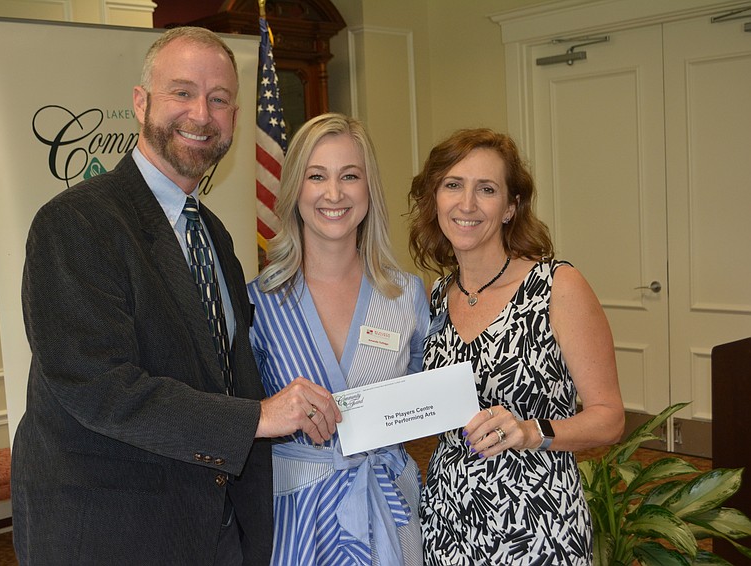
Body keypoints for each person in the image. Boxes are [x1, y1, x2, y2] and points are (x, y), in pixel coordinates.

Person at [11, 27, 341, 566]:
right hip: (113, 535)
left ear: (235, 116)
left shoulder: (213, 233)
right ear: (140, 103)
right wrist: (257, 418)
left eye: (219, 99)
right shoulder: (75, 223)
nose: (202, 114)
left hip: (215, 526)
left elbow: (221, 376)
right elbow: (98, 385)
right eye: (182, 93)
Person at [407, 128, 624, 565]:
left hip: (536, 521)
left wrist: (531, 431)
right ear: (435, 199)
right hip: (448, 520)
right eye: (453, 185)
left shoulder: (557, 285)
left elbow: (610, 419)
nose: (467, 204)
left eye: (486, 189)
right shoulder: (434, 295)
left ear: (510, 207)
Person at [248, 113, 428, 565]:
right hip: (295, 518)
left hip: (388, 510)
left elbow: (424, 398)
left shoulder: (406, 294)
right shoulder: (259, 303)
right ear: (295, 191)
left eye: (350, 176)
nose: (334, 193)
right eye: (316, 176)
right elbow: (242, 417)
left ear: (369, 190)